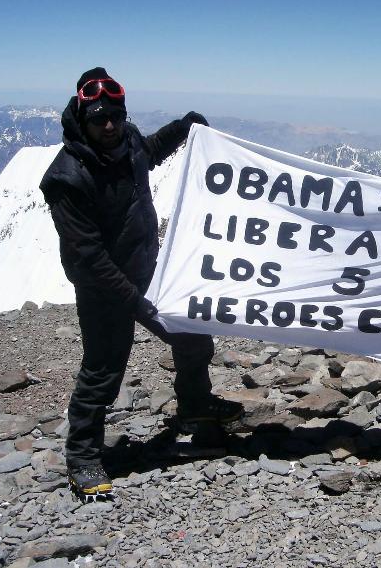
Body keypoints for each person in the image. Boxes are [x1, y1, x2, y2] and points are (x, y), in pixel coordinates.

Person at [40, 67, 243, 500]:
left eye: (115, 115)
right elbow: (88, 257)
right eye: (99, 119)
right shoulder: (67, 178)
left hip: (147, 268)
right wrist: (137, 302)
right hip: (102, 289)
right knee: (103, 369)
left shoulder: (126, 139)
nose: (109, 125)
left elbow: (147, 151)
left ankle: (194, 408)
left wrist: (183, 128)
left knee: (191, 334)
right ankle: (82, 458)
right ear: (82, 118)